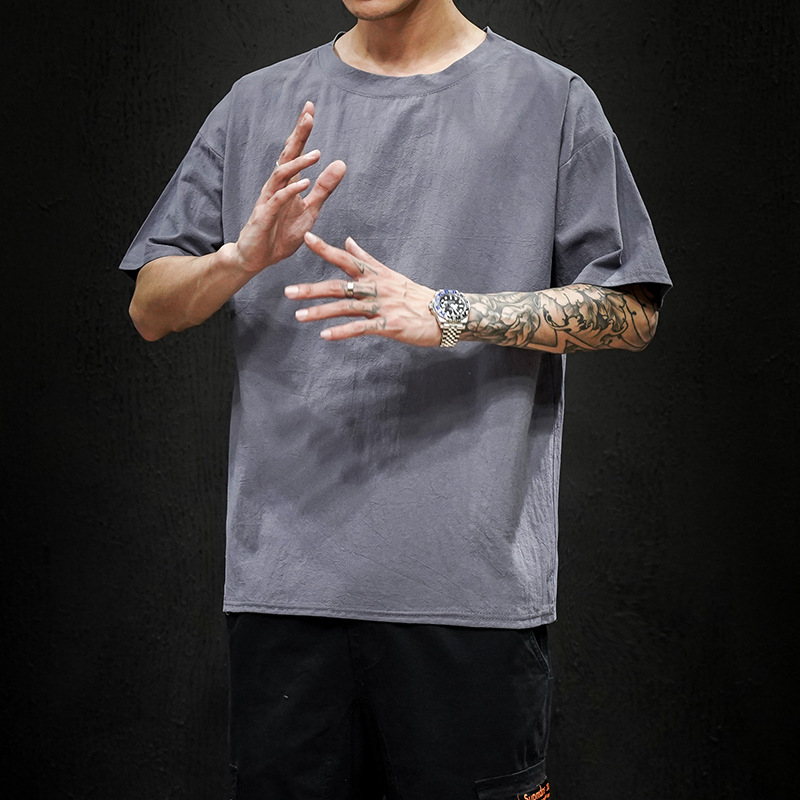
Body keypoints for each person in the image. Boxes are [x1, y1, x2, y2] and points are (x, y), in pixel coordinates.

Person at [120, 0, 671, 797]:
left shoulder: (551, 101)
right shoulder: (255, 105)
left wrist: (450, 312)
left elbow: (632, 311)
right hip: (285, 601)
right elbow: (149, 308)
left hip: (469, 600)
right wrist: (238, 258)